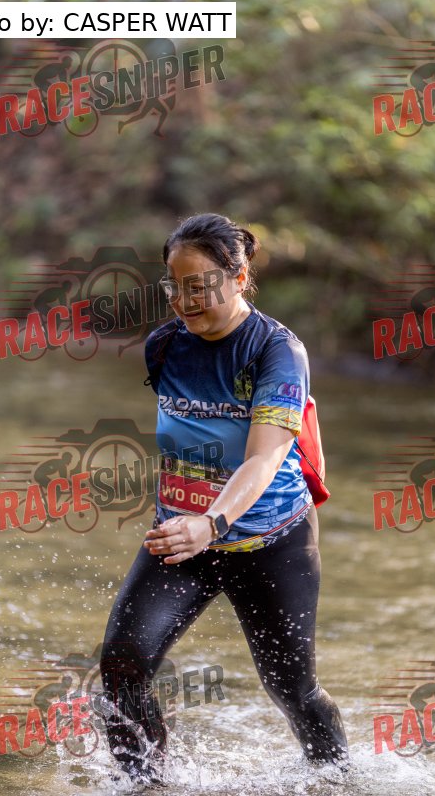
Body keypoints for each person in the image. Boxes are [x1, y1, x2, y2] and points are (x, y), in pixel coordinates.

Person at [99, 213, 349, 784]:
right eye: (174, 286)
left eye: (199, 286)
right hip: (180, 539)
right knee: (122, 666)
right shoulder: (164, 346)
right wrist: (190, 523)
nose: (183, 301)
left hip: (272, 542)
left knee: (293, 689)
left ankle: (340, 780)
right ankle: (144, 785)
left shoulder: (277, 352)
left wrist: (211, 521)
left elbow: (263, 458)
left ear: (238, 278)